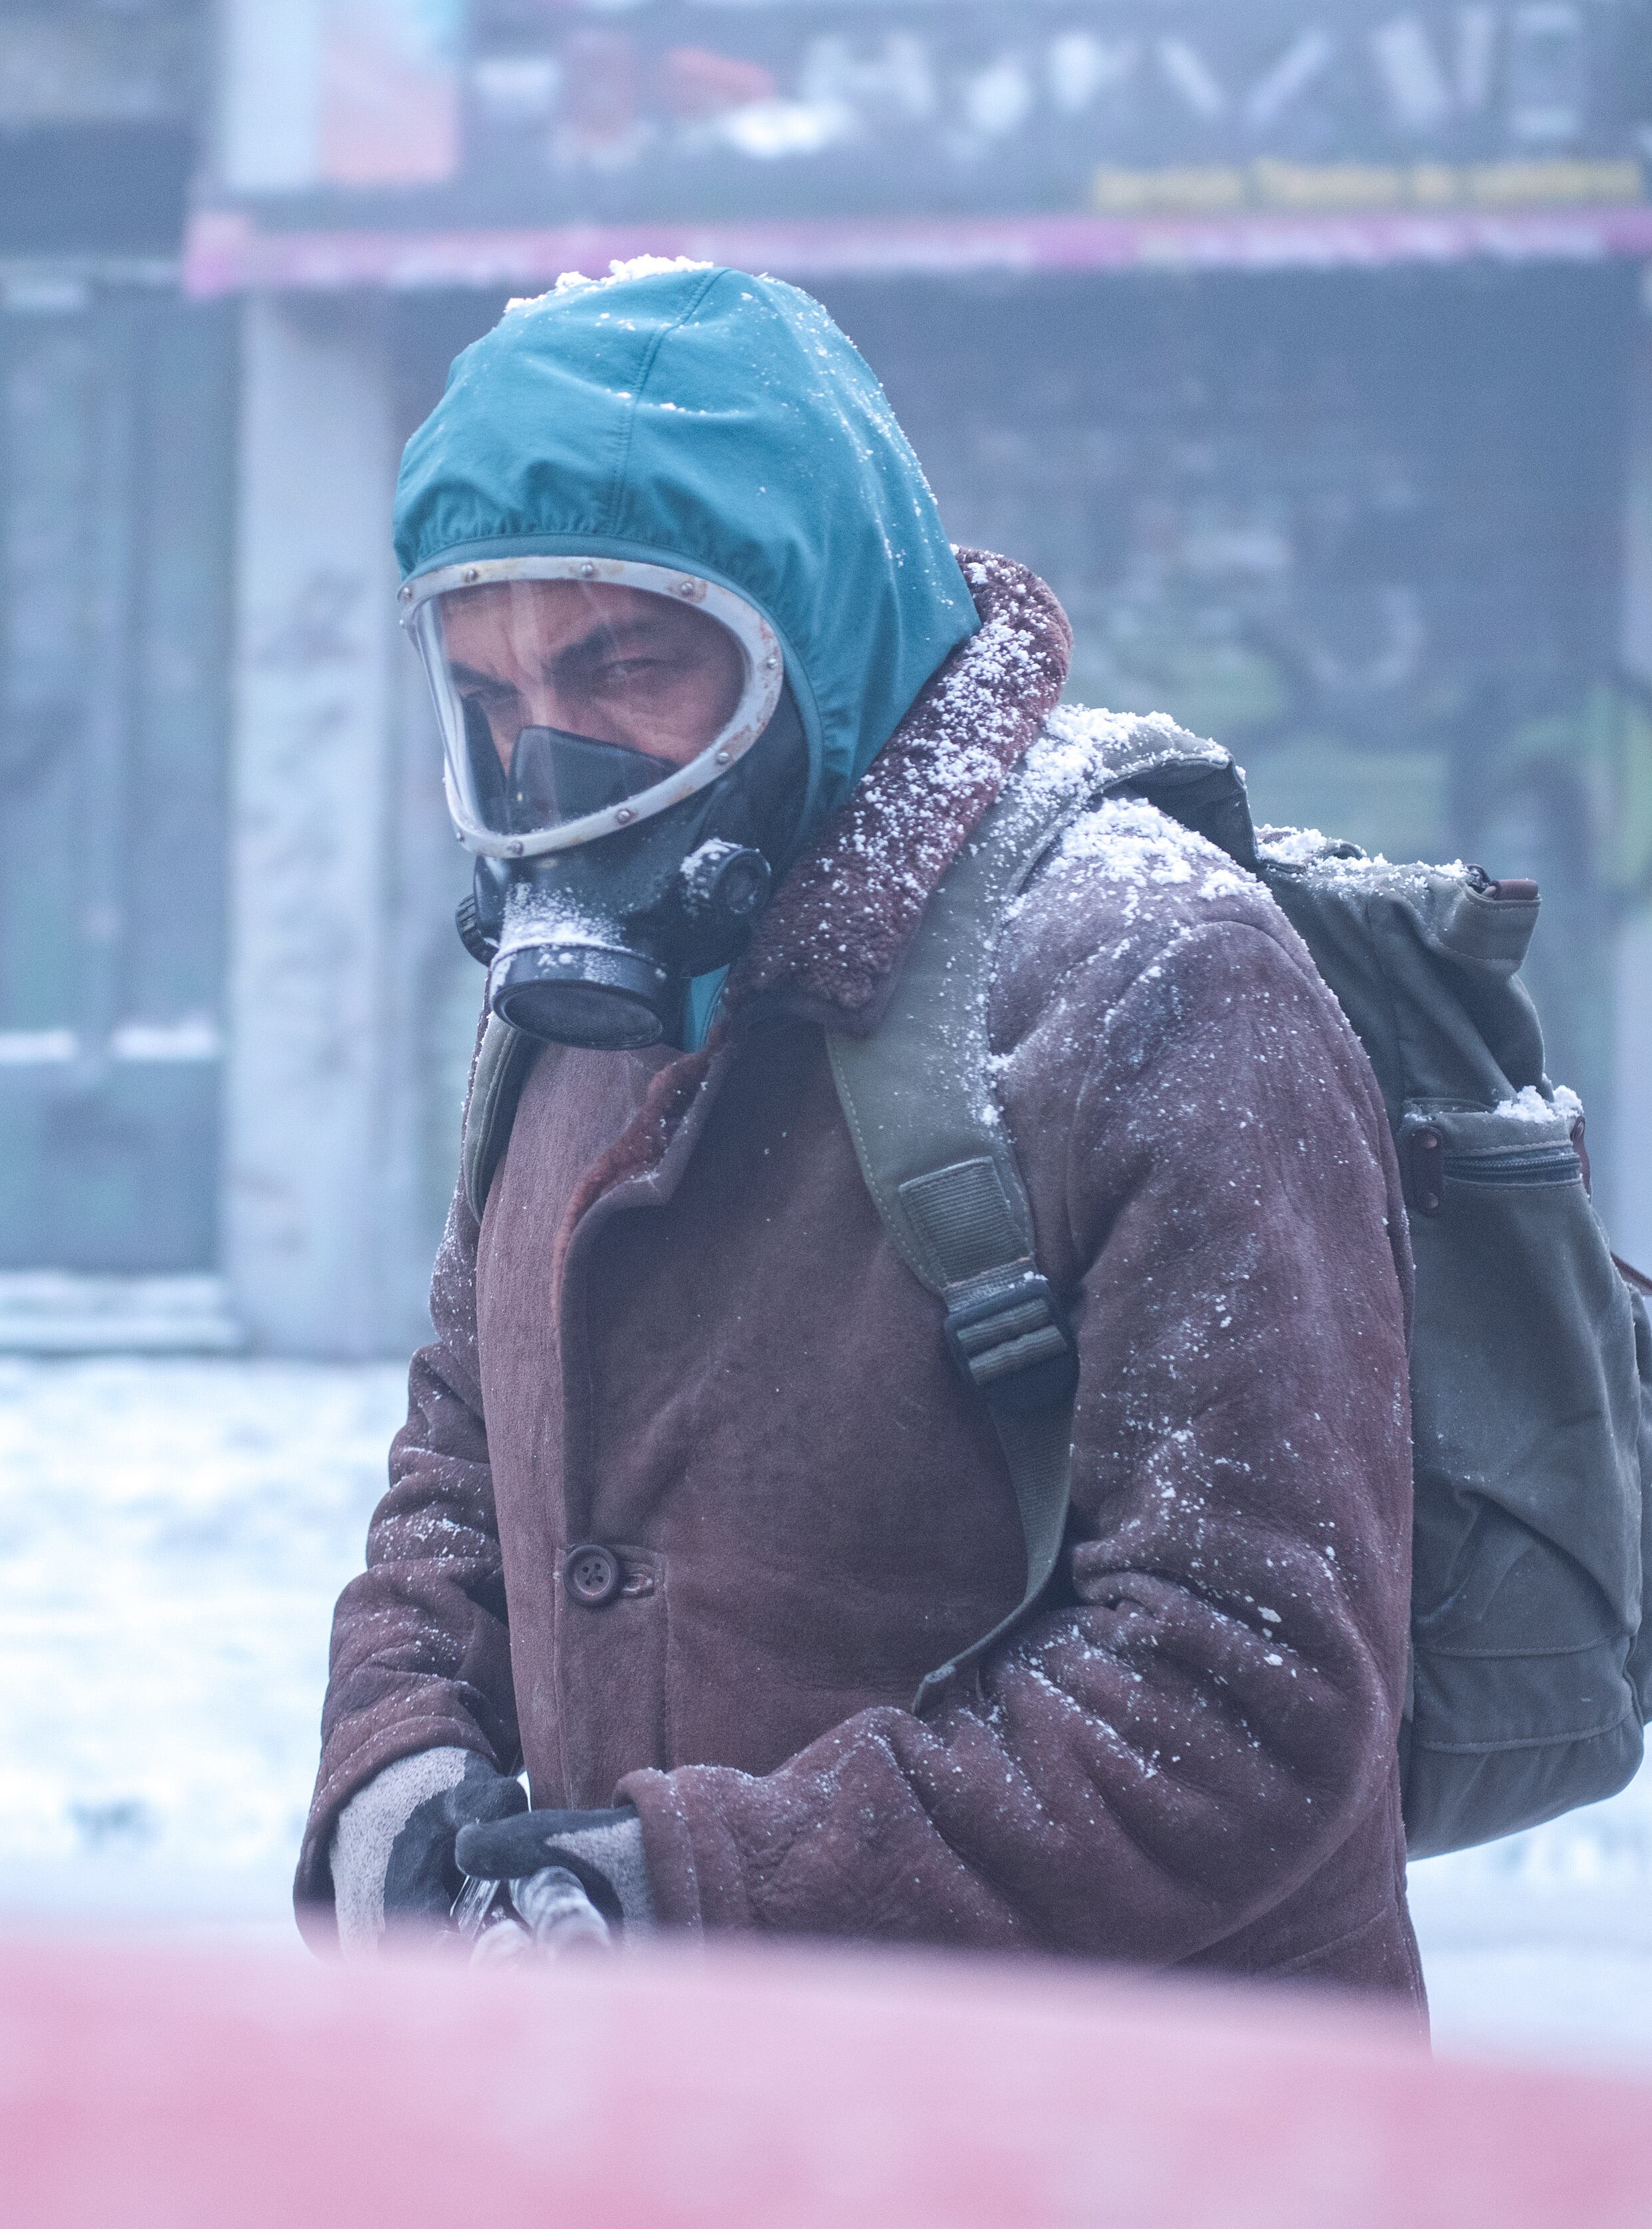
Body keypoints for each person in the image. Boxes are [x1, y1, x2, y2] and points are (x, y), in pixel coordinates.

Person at [302, 263, 1424, 2001]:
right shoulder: (576, 1005)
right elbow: (466, 1446)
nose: (555, 765)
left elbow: (1243, 1689)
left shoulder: (1145, 974)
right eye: (497, 695)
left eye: (627, 667)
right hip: (695, 2119)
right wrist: (395, 1769)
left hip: (1124, 2131)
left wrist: (692, 1891)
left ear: (811, 638)